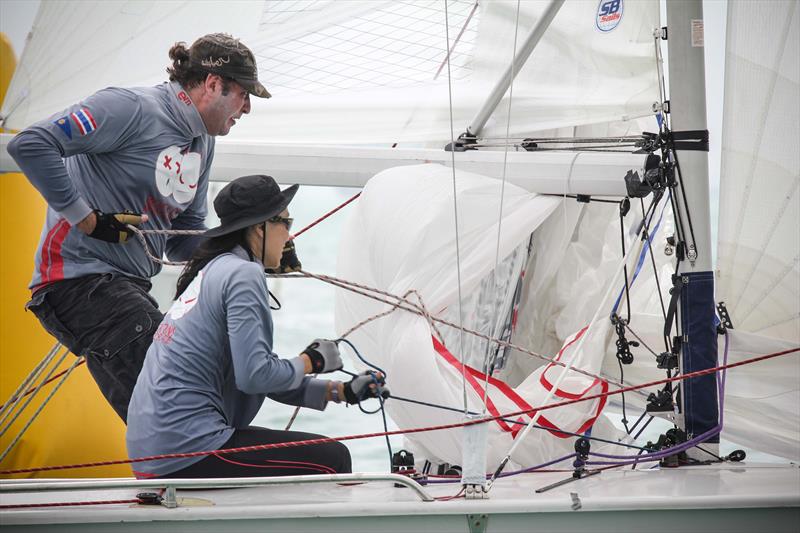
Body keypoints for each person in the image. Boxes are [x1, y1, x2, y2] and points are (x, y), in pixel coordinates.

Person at [6, 33, 270, 422]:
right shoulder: (129, 108)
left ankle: (182, 471)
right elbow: (30, 144)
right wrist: (87, 218)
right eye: (244, 95)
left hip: (128, 289)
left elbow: (183, 238)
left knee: (207, 385)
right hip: (78, 284)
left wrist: (245, 251)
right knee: (179, 408)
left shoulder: (203, 141)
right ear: (214, 85)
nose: (247, 108)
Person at [126, 175, 387, 478]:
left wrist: (338, 391)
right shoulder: (243, 274)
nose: (290, 237)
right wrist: (311, 361)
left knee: (319, 454)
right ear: (260, 228)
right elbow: (255, 376)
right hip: (188, 450)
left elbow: (249, 374)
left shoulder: (214, 268)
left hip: (158, 451)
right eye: (286, 225)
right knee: (334, 458)